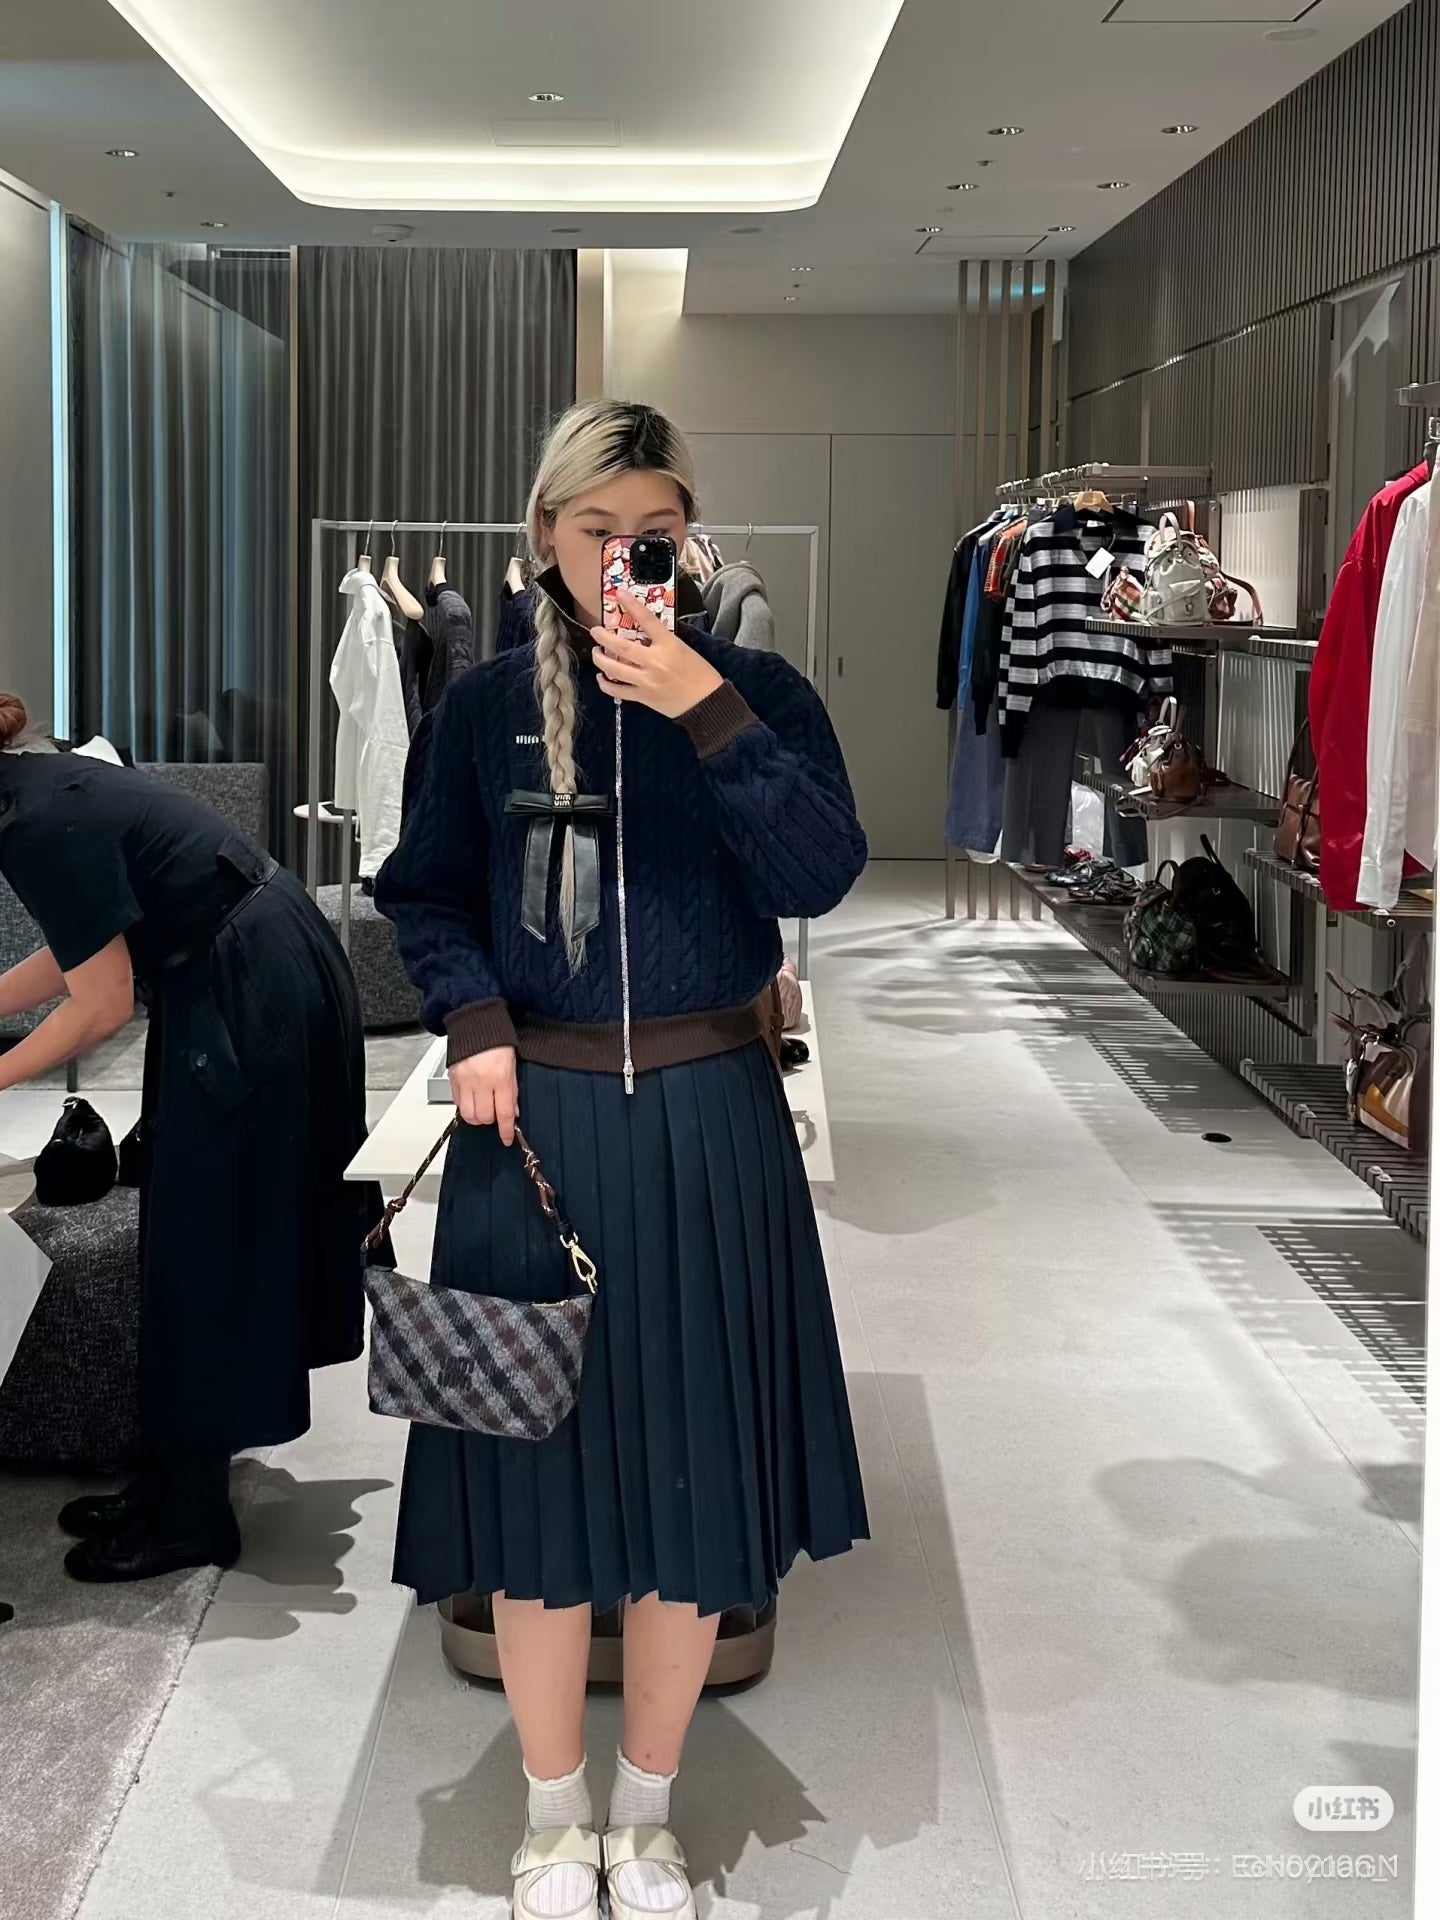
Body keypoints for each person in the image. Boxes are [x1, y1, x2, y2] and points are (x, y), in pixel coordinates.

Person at [375, 399, 869, 1920]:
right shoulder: (481, 711)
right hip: (540, 1127)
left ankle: (645, 1816)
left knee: (687, 1493)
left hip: (715, 1122)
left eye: (651, 534)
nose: (621, 560)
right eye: (595, 530)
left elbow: (821, 874)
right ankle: (550, 1817)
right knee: (535, 1502)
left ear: (687, 539)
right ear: (543, 536)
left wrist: (707, 712)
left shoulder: (759, 691)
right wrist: (472, 1019)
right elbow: (424, 889)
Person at [0, 699, 375, 1582]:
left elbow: (100, 1004)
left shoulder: (36, 821)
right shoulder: (38, 788)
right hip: (239, 964)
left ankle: (194, 1516)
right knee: (186, 1223)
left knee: (210, 1238)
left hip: (250, 980)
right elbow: (87, 943)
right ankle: (173, 1479)